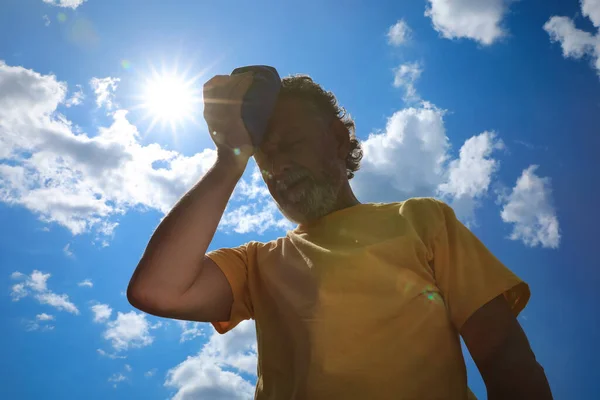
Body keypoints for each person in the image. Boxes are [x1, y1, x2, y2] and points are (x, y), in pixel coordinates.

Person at [127, 71, 553, 399]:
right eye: (263, 156)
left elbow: (503, 356)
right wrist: (230, 158)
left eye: (290, 143)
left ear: (336, 138)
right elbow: (157, 290)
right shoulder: (256, 263)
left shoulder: (422, 219)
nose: (277, 167)